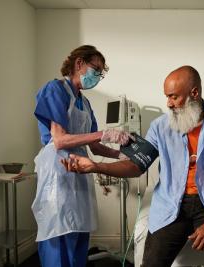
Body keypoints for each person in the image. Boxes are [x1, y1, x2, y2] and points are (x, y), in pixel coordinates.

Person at [62, 65, 204, 267]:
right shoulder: (160, 127)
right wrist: (95, 166)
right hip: (172, 205)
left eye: (174, 97)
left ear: (194, 93)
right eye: (166, 97)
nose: (168, 103)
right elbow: (136, 166)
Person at [32, 45, 132, 267]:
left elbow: (95, 147)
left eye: (100, 73)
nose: (97, 76)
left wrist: (121, 154)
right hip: (59, 170)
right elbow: (59, 140)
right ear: (79, 64)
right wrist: (104, 133)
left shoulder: (84, 103)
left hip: (80, 170)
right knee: (59, 233)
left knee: (78, 233)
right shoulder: (55, 89)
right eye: (95, 69)